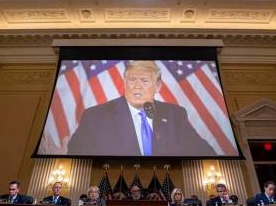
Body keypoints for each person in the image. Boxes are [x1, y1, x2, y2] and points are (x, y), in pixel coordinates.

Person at [67, 60, 216, 156]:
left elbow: (206, 153)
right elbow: (77, 153)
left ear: (158, 86)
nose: (137, 86)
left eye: (144, 80)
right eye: (132, 80)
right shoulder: (96, 116)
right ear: (125, 83)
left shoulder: (175, 114)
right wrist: (65, 155)